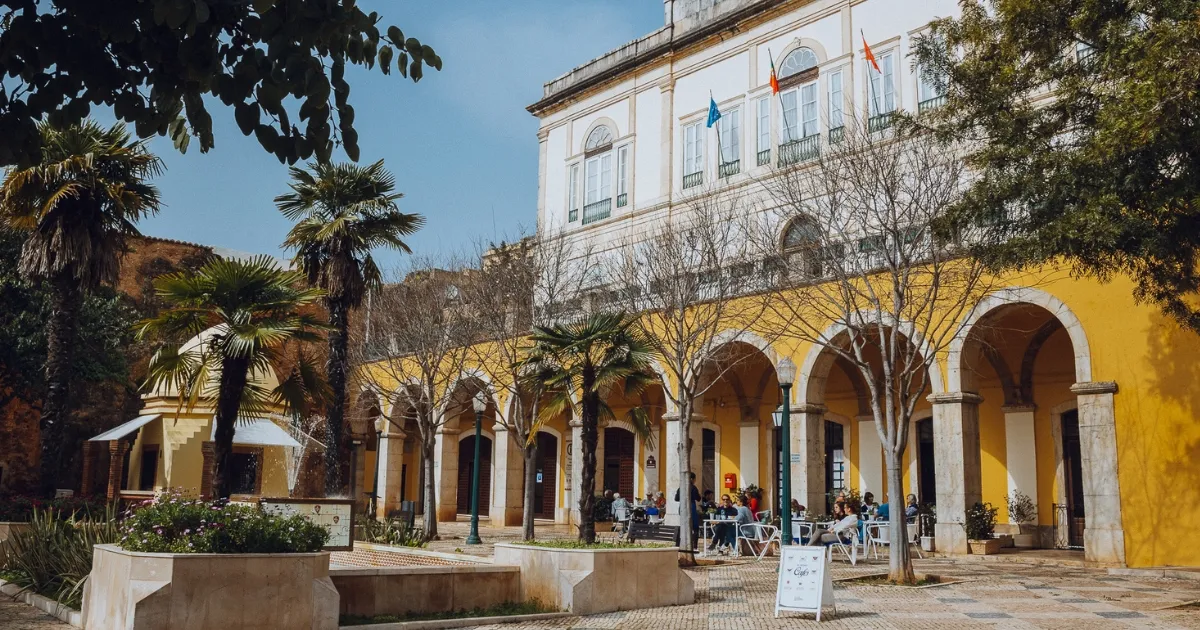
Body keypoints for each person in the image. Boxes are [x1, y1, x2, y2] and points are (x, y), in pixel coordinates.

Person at [674, 472, 702, 549]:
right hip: (691, 507)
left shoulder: (681, 487)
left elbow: (676, 499)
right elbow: (698, 498)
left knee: (684, 526)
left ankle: (679, 543)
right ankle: (695, 545)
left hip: (682, 507)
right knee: (695, 527)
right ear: (692, 479)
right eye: (695, 479)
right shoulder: (693, 487)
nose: (695, 481)